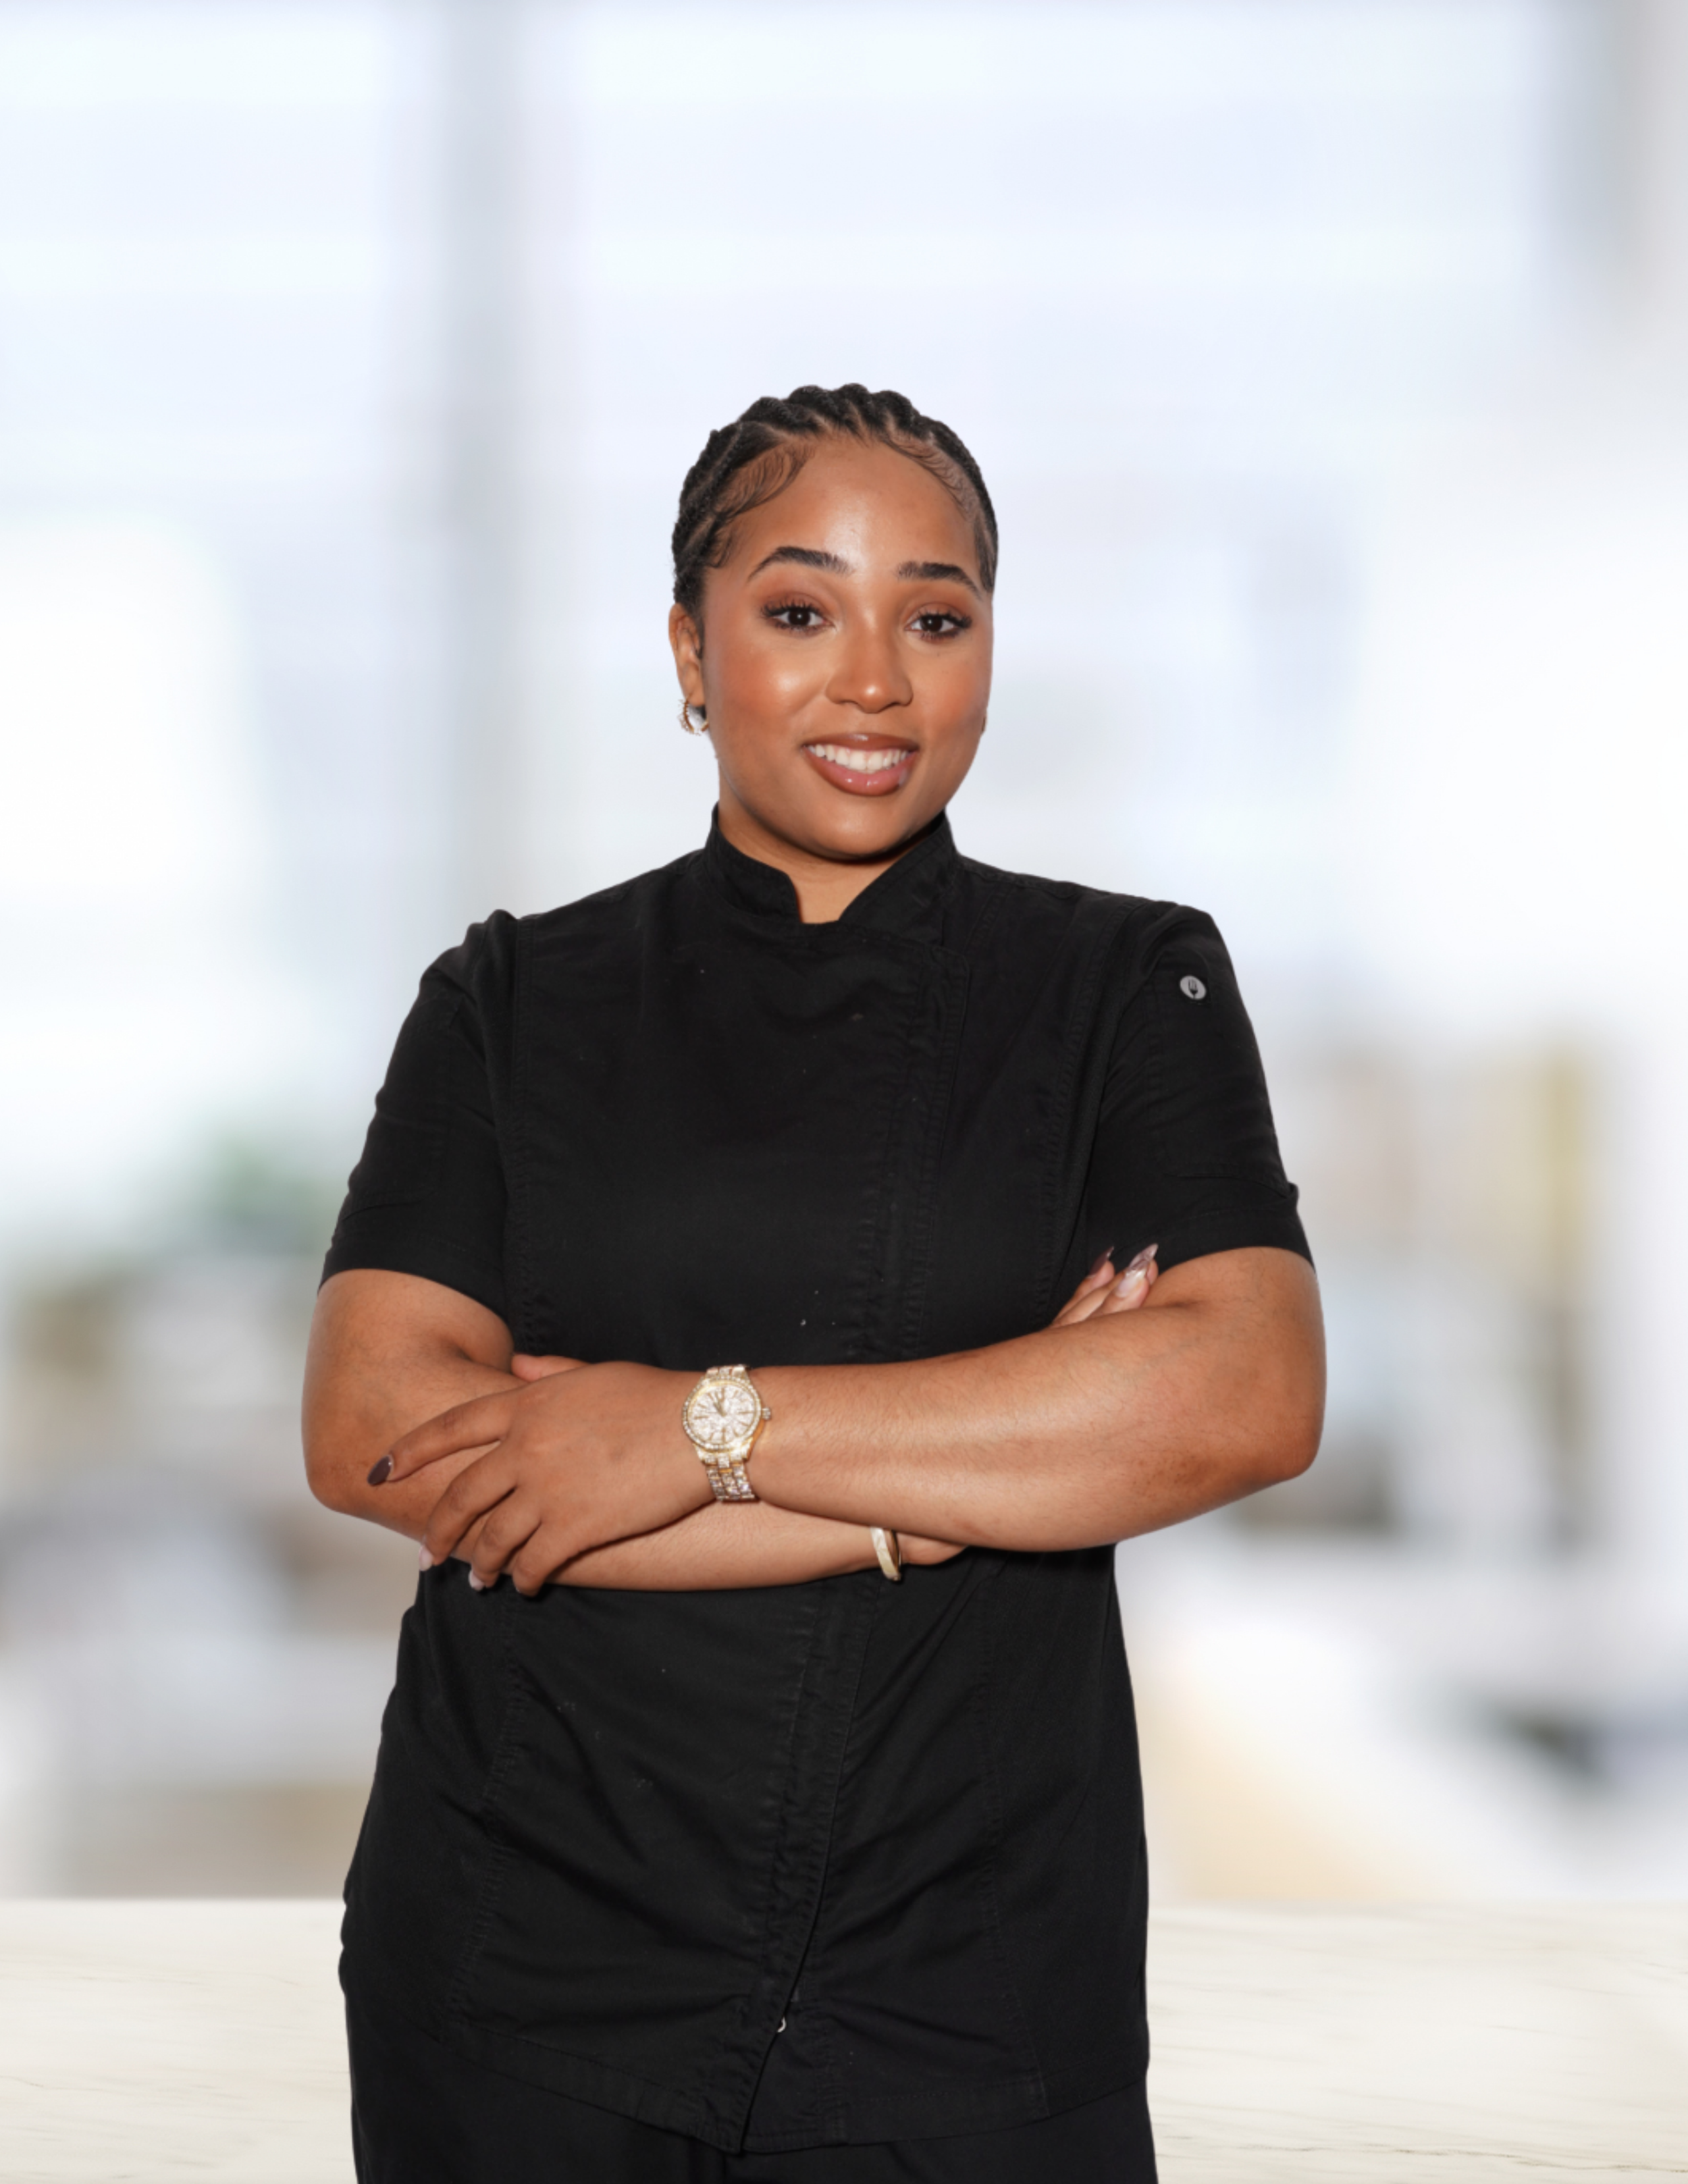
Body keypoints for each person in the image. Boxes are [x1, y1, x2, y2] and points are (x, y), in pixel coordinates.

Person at [303, 383, 1324, 2183]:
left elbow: (1243, 1392)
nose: (875, 682)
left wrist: (681, 1430)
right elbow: (379, 1434)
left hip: (974, 1990)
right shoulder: (509, 1001)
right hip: (521, 1975)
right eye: (798, 610)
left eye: (935, 619)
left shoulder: (1125, 985)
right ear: (689, 652)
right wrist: (949, 1495)